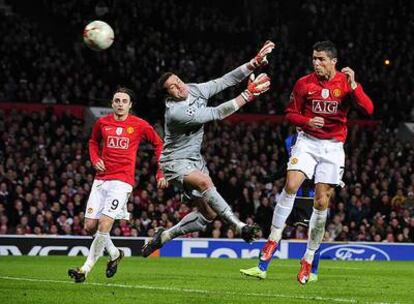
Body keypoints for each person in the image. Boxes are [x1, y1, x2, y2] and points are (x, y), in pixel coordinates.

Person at [245, 40, 373, 285]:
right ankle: (272, 241)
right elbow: (290, 113)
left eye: (321, 59)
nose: (316, 63)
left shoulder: (346, 83)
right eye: (314, 58)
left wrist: (355, 86)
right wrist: (306, 121)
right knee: (291, 184)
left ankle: (308, 259)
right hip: (307, 141)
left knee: (321, 201)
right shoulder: (304, 83)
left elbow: (368, 109)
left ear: (333, 61)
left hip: (333, 147)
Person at [141, 41, 275, 257]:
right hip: (174, 161)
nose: (180, 86)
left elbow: (224, 81)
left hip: (195, 159)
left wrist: (253, 63)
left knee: (208, 215)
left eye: (178, 81)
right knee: (205, 183)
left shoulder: (193, 89)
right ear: (168, 95)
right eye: (173, 87)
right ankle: (240, 227)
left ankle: (164, 236)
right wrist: (247, 95)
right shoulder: (176, 113)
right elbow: (216, 113)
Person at [68, 87, 167, 283]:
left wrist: (161, 172)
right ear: (112, 104)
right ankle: (114, 254)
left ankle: (84, 270)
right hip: (101, 179)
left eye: (124, 101)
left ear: (130, 105)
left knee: (105, 224)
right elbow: (93, 142)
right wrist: (95, 158)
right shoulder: (102, 123)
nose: (120, 104)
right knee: (89, 226)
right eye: (117, 100)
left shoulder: (139, 125)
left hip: (122, 181)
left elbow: (159, 144)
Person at [240, 133, 322, 281]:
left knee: (313, 234)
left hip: (308, 198)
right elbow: (289, 164)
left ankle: (313, 272)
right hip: (290, 197)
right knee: (276, 229)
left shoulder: (319, 139)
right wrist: (271, 177)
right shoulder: (290, 139)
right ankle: (261, 268)